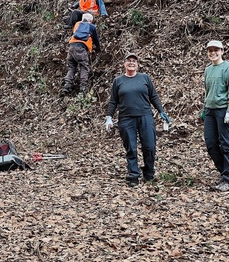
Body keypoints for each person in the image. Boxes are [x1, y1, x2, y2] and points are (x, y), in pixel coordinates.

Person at [105, 53, 171, 187]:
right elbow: (113, 101)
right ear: (124, 64)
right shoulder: (118, 81)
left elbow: (153, 96)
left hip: (145, 116)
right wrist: (109, 116)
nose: (131, 63)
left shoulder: (144, 78)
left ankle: (149, 173)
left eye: (134, 61)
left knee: (149, 146)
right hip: (126, 118)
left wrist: (161, 111)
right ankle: (133, 175)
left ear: (138, 64)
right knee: (131, 148)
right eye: (129, 61)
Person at [202, 40, 229, 192]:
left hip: (224, 110)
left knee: (226, 144)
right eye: (210, 50)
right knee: (211, 144)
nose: (213, 53)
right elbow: (207, 90)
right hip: (210, 111)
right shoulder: (208, 70)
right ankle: (225, 172)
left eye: (216, 50)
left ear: (222, 51)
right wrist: (204, 109)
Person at [62, 12, 101, 96]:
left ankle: (67, 85)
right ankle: (82, 89)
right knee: (84, 67)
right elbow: (95, 39)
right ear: (90, 20)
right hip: (81, 49)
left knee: (71, 67)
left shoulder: (77, 24)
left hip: (71, 48)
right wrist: (98, 47)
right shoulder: (91, 26)